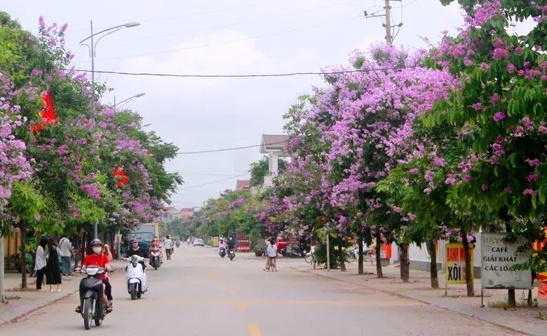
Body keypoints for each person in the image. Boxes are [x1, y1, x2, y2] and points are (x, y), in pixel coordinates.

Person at [76, 239, 113, 313]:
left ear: (101, 247)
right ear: (92, 247)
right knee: (83, 286)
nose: (97, 247)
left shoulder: (104, 257)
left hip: (100, 278)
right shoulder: (88, 257)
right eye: (95, 246)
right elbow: (84, 266)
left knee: (102, 288)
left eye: (98, 246)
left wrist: (108, 268)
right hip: (89, 278)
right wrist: (80, 269)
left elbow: (106, 264)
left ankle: (107, 304)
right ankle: (82, 304)